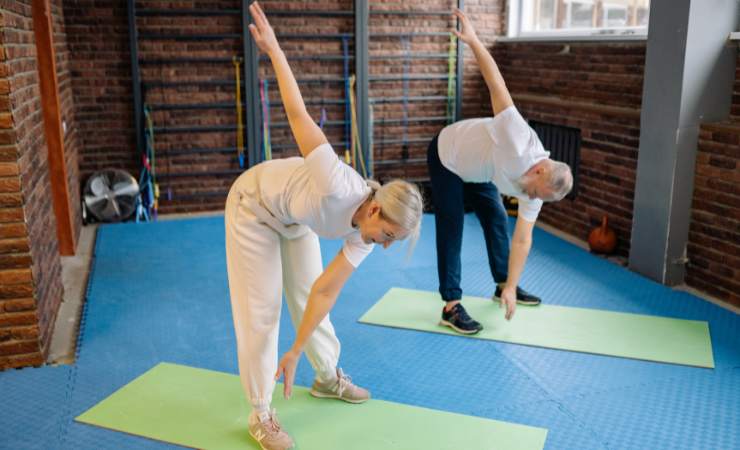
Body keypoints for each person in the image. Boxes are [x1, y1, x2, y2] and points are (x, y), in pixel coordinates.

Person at [225, 3, 423, 449]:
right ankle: (261, 412)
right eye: (389, 236)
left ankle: (325, 376)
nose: (386, 247)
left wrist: (295, 350)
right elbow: (298, 115)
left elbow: (324, 291)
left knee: (307, 294)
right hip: (253, 205)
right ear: (375, 211)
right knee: (262, 308)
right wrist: (274, 50)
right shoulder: (337, 183)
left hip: (295, 218)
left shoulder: (364, 235)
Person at [428, 8, 573, 335]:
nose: (531, 199)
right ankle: (451, 306)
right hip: (448, 156)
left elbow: (523, 239)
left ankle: (501, 285)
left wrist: (513, 285)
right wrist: (475, 41)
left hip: (481, 171)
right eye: (535, 193)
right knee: (452, 225)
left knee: (495, 217)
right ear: (538, 171)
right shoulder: (517, 137)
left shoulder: (541, 188)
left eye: (538, 198)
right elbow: (496, 81)